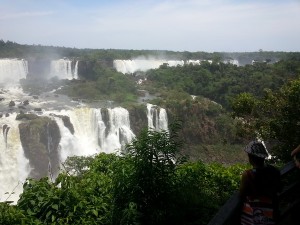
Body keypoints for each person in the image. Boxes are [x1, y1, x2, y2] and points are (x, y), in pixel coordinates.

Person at [239, 141, 281, 225]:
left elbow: (241, 194)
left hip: (254, 215)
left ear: (251, 157)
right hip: (272, 212)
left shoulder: (248, 174)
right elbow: (279, 188)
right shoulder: (274, 171)